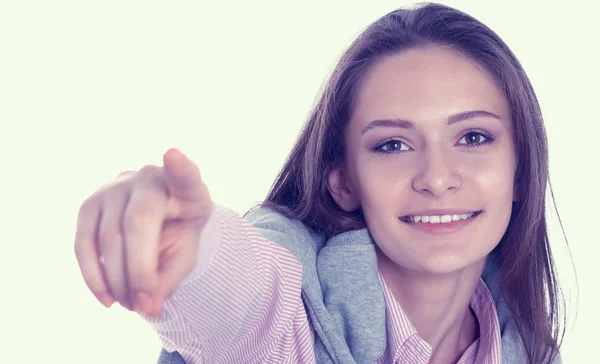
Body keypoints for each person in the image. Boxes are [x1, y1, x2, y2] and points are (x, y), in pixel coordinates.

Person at [74, 2, 566, 363]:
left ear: (521, 170)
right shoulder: (291, 324)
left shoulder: (525, 343)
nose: (437, 178)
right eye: (392, 145)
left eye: (474, 136)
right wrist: (185, 245)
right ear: (343, 181)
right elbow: (243, 295)